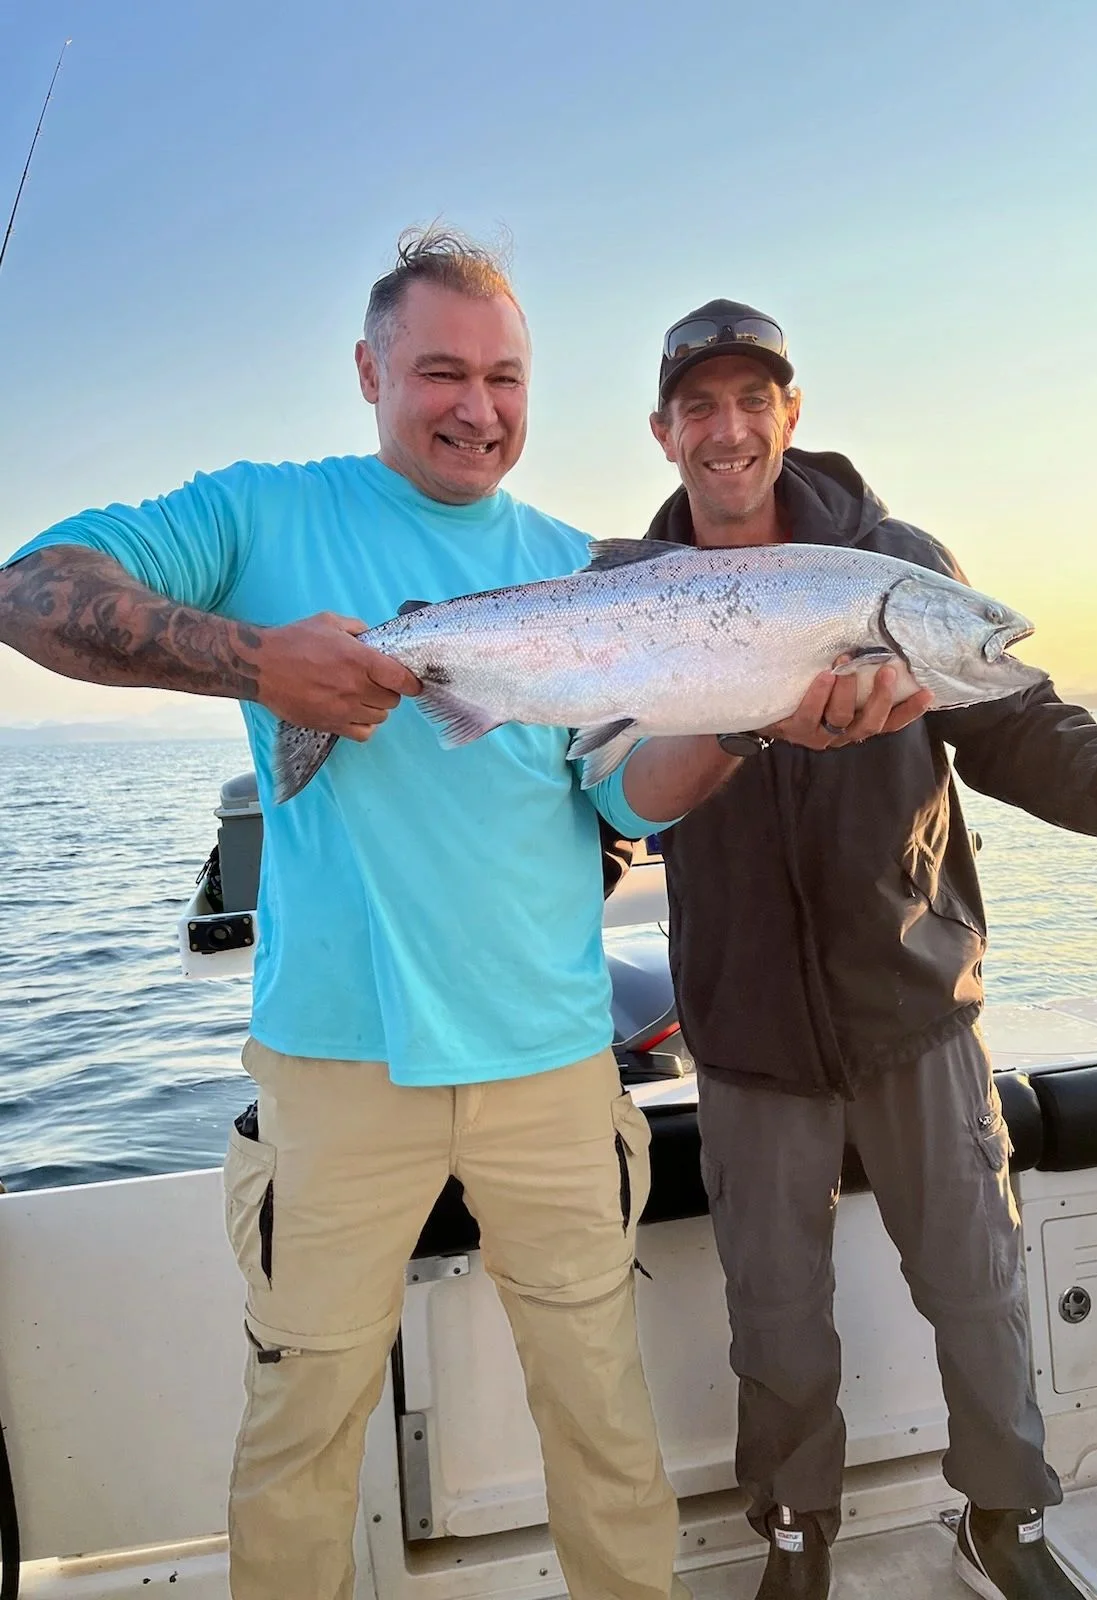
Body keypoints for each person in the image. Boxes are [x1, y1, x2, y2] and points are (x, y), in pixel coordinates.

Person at [0, 236, 879, 1600]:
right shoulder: (259, 514)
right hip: (337, 1063)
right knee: (305, 1423)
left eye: (506, 377)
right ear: (368, 372)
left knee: (600, 1415)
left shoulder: (584, 568)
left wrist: (756, 721)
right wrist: (258, 658)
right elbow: (32, 592)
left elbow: (630, 796)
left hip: (548, 1059)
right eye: (441, 373)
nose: (478, 407)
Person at [643, 299, 1097, 1600]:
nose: (729, 430)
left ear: (792, 413)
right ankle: (795, 1532)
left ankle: (1002, 1518)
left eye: (752, 400)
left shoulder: (896, 563)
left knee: (978, 1285)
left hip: (914, 1002)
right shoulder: (638, 592)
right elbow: (605, 775)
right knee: (775, 1317)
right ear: (665, 431)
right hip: (745, 1027)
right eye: (700, 405)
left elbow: (1014, 717)